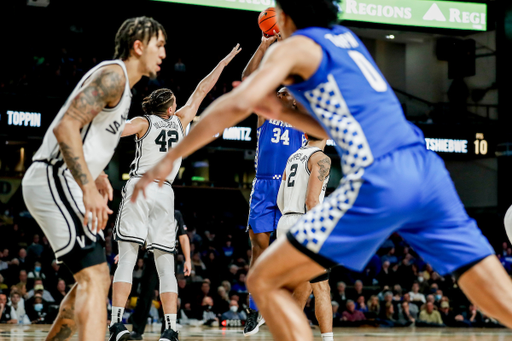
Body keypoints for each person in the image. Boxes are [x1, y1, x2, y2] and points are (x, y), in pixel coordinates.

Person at [131, 1, 512, 340]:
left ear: (286, 15)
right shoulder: (345, 39)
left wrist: (169, 157)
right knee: (488, 287)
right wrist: (280, 110)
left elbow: (237, 101)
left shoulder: (299, 44)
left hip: (380, 178)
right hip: (426, 171)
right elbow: (333, 123)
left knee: (264, 280)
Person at [22, 16, 167, 341]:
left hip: (67, 179)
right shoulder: (113, 75)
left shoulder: (124, 89)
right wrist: (87, 185)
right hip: (54, 177)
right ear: (138, 45)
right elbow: (65, 127)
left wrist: (96, 173)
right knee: (98, 278)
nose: (164, 53)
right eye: (159, 45)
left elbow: (84, 133)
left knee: (86, 285)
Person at [111, 44, 240, 341]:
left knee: (128, 259)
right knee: (165, 264)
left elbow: (119, 129)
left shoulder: (144, 122)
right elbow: (203, 88)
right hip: (164, 193)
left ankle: (116, 325)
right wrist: (225, 60)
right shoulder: (180, 122)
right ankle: (171, 329)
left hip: (139, 187)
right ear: (171, 109)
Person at [241, 34, 306, 336]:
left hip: (290, 191)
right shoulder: (264, 112)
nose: (282, 94)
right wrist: (265, 44)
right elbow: (247, 78)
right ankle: (254, 309)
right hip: (264, 185)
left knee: (286, 254)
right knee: (259, 248)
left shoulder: (304, 119)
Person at [275, 134, 332, 341]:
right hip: (304, 223)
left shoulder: (292, 157)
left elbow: (280, 200)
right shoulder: (321, 159)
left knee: (301, 286)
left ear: (305, 134)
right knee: (322, 288)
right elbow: (311, 201)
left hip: (285, 223)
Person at [126, 210, 192, 340]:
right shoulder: (149, 211)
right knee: (145, 294)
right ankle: (137, 331)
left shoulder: (176, 214)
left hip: (169, 255)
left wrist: (188, 260)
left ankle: (168, 330)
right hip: (151, 256)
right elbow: (137, 234)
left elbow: (183, 237)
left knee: (168, 295)